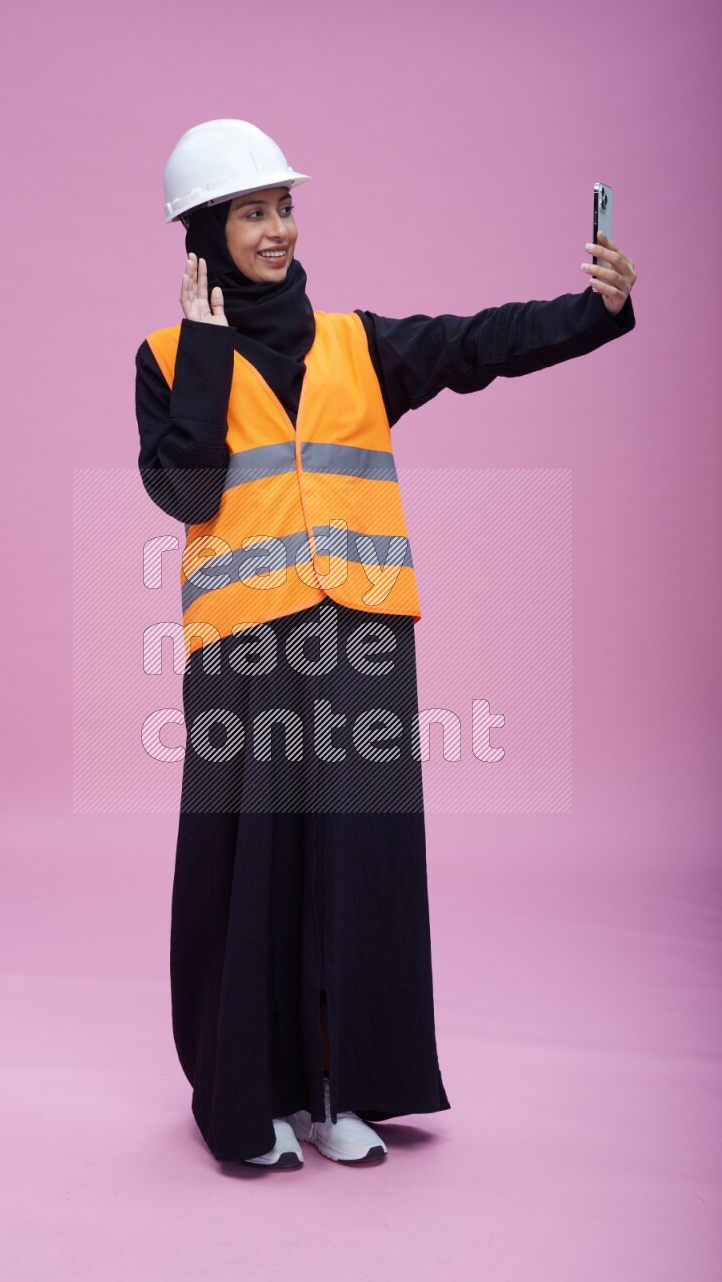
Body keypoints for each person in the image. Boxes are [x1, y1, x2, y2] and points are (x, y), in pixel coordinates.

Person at [135, 119, 637, 1170]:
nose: (276, 230)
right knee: (255, 871)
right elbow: (183, 488)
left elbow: (476, 342)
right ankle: (255, 1097)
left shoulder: (358, 343)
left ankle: (343, 1088)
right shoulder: (169, 358)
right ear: (202, 234)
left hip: (360, 635)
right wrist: (211, 353)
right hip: (241, 654)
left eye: (282, 207)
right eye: (250, 212)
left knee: (358, 867)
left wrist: (595, 313)